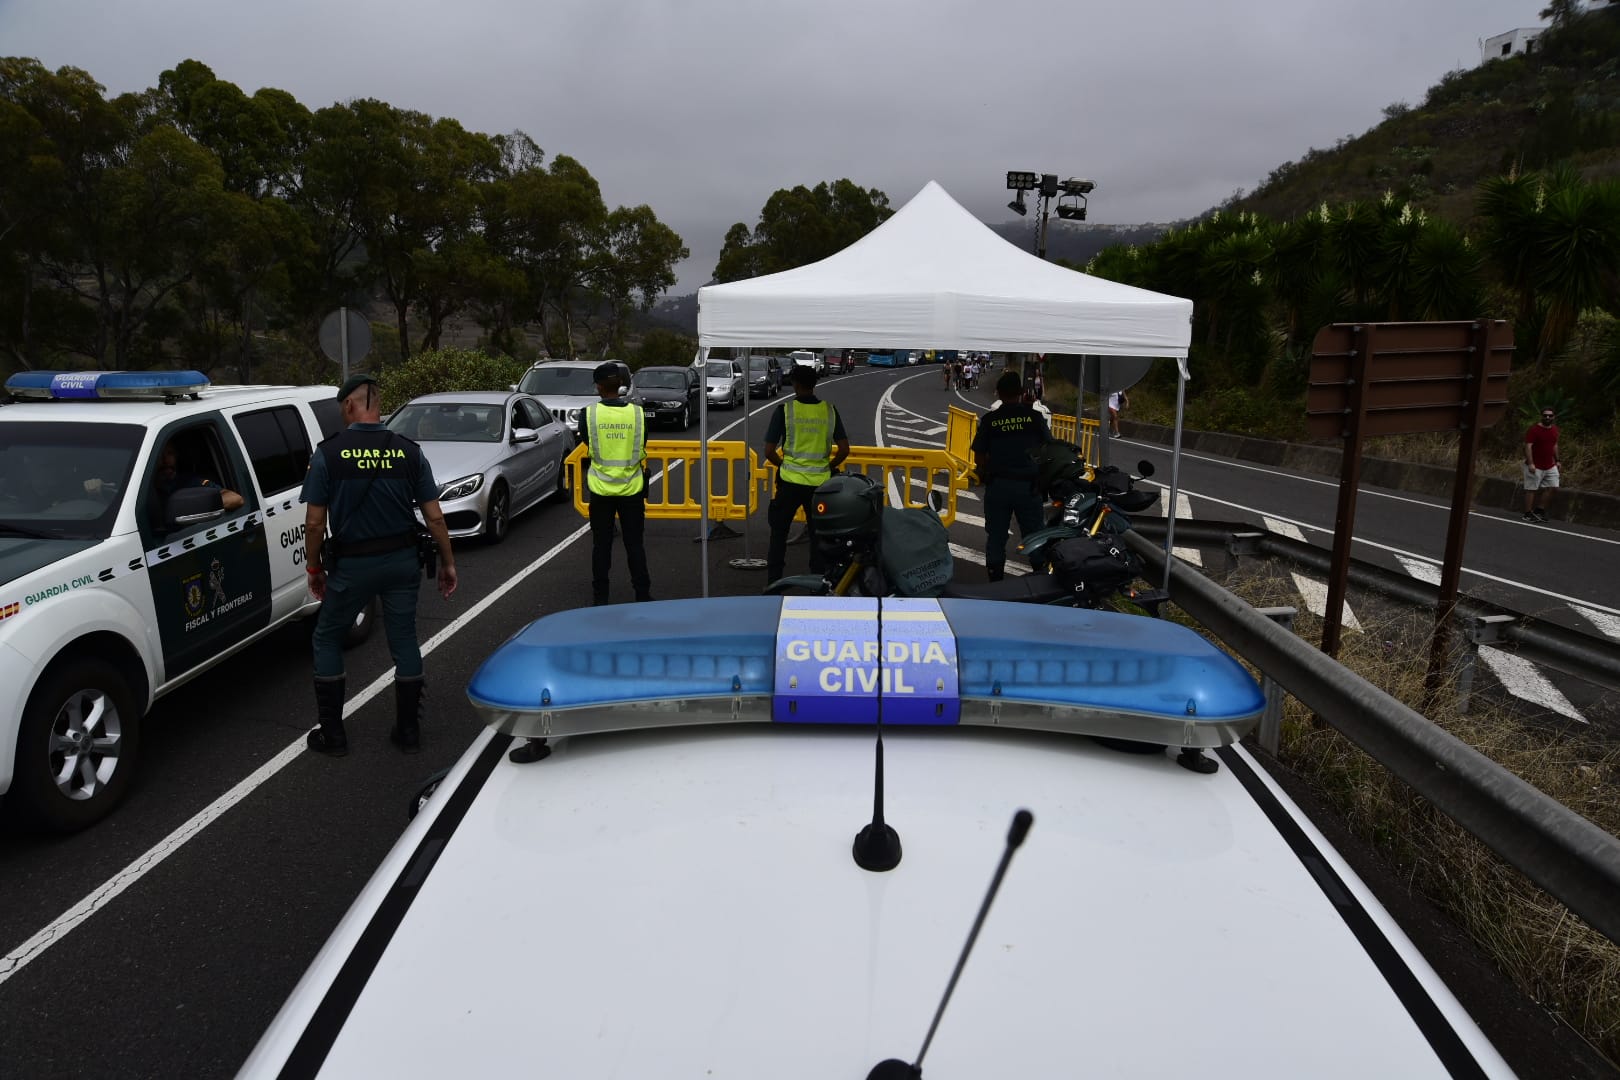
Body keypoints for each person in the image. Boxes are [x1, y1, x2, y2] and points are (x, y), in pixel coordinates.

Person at [302, 374, 457, 758]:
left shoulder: (328, 453)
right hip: (402, 562)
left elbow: (314, 523)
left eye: (342, 407)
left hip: (352, 565)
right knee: (403, 639)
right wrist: (448, 563)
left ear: (351, 405)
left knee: (326, 637)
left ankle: (334, 736)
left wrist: (313, 567)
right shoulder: (408, 451)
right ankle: (408, 732)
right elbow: (435, 518)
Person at [763, 363, 850, 584]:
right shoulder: (829, 411)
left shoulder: (785, 410)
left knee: (779, 533)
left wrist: (784, 465)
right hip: (820, 486)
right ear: (813, 384)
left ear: (795, 384)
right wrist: (829, 466)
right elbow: (844, 449)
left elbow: (769, 451)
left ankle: (774, 581)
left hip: (789, 483)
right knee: (818, 536)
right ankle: (818, 583)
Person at [971, 370, 1052, 582]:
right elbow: (1048, 450)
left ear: (998, 393)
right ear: (1020, 392)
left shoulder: (990, 420)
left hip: (999, 486)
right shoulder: (1034, 418)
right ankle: (1040, 580)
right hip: (1028, 487)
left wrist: (994, 465)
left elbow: (979, 456)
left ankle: (995, 580)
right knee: (1034, 534)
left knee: (996, 536)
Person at [583, 361, 653, 605]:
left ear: (599, 387)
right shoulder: (637, 414)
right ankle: (642, 594)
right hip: (632, 489)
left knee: (601, 546)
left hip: (601, 491)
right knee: (635, 544)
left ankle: (600, 598)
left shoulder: (589, 414)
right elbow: (642, 443)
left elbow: (587, 443)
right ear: (621, 385)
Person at [152, 439, 244, 516]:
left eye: (170, 453)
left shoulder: (190, 482)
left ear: (176, 456)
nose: (165, 460)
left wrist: (195, 505)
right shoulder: (142, 490)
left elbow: (235, 499)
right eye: (159, 455)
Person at [1522, 407, 1560, 522]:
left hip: (1549, 465)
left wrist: (1557, 460)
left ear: (1554, 417)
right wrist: (1531, 463)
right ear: (1541, 416)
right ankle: (1528, 514)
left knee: (1553, 487)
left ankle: (1539, 510)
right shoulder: (1534, 430)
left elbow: (1555, 445)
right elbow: (1528, 446)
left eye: (1550, 416)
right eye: (1545, 415)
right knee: (1531, 489)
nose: (1547, 417)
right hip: (1535, 465)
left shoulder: (1554, 429)